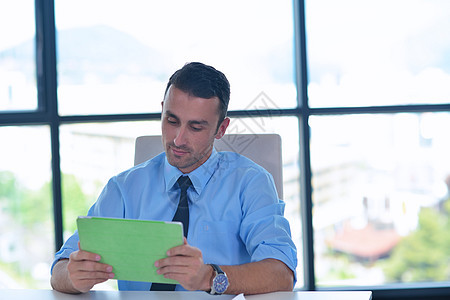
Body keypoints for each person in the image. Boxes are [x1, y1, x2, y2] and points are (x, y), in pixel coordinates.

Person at [50, 62, 297, 295]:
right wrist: (73, 277)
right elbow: (60, 268)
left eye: (196, 127)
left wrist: (209, 278)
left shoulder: (250, 183)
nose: (178, 139)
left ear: (221, 129)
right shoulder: (124, 188)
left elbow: (281, 273)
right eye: (172, 121)